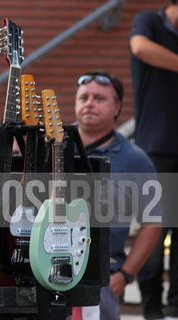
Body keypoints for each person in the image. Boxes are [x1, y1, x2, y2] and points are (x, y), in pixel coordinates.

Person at [72, 70, 162, 319]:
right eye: (84, 97)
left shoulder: (136, 159)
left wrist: (124, 275)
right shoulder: (52, 144)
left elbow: (153, 222)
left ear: (117, 108)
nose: (89, 103)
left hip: (103, 282)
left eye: (99, 99)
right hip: (45, 272)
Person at [130, 2, 178, 319]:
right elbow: (140, 47)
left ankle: (176, 305)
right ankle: (151, 308)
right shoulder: (149, 21)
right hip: (156, 147)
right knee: (153, 229)